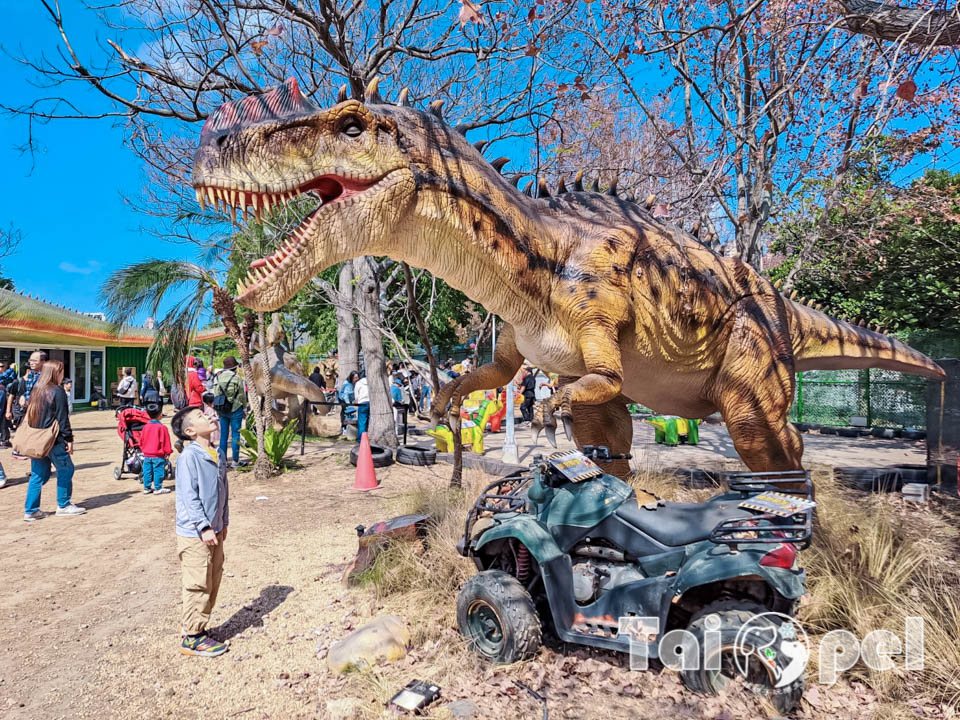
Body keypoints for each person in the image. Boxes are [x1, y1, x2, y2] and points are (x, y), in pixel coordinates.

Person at [171, 405, 230, 658]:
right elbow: (188, 496)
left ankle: (193, 624)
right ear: (190, 431)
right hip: (196, 533)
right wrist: (204, 526)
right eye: (200, 416)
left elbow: (223, 490)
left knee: (213, 577)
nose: (209, 416)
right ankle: (193, 638)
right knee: (198, 582)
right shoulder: (189, 457)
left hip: (215, 529)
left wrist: (223, 522)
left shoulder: (217, 453)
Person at [23, 360, 86, 521]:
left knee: (38, 474)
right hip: (54, 439)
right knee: (66, 469)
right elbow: (62, 418)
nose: (63, 375)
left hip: (38, 438)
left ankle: (31, 510)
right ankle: (63, 505)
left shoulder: (37, 390)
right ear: (55, 373)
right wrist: (69, 439)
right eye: (61, 371)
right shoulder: (57, 391)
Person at [214, 356, 246, 467]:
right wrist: (244, 408)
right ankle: (235, 461)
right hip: (235, 409)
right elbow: (242, 395)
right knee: (236, 435)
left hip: (222, 409)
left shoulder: (218, 378)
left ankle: (223, 461)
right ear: (235, 367)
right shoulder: (237, 378)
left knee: (223, 435)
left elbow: (216, 394)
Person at [140, 400, 172, 495]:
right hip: (158, 455)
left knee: (147, 471)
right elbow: (165, 441)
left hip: (147, 454)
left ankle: (147, 487)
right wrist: (168, 452)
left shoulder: (145, 427)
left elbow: (141, 440)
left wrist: (143, 449)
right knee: (158, 471)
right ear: (160, 414)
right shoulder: (162, 427)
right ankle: (158, 487)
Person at [354, 373, 370, 437]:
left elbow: (356, 396)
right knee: (369, 421)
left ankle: (361, 438)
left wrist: (356, 402)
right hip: (370, 403)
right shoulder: (370, 382)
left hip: (362, 403)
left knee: (362, 422)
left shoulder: (358, 383)